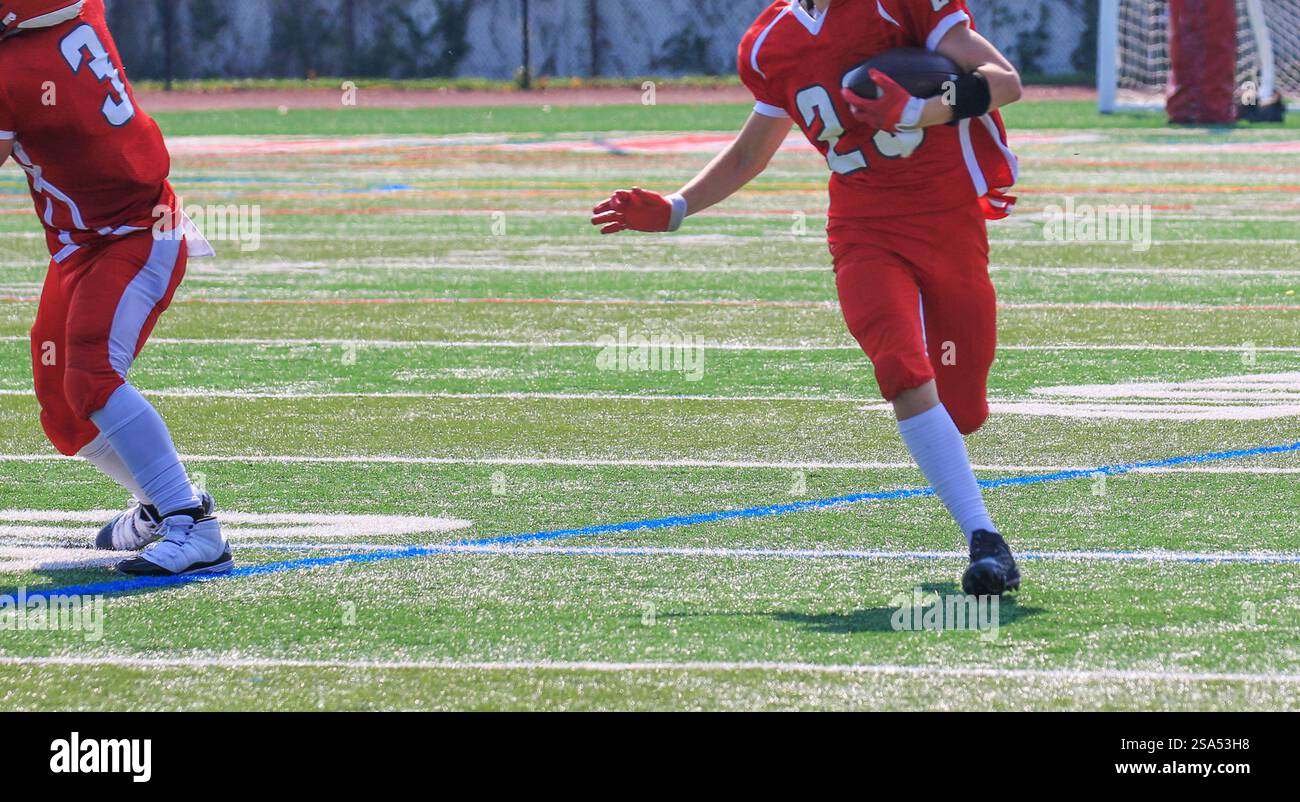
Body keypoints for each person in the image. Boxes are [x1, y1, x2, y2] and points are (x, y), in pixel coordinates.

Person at [590, 0, 1022, 594]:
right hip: (863, 230)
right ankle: (984, 538)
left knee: (963, 407)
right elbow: (749, 153)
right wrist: (677, 207)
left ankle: (964, 475)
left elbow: (1005, 83)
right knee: (900, 367)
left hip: (948, 226)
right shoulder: (771, 42)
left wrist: (922, 109)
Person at [0, 0, 230, 576]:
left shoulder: (16, 73)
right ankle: (159, 503)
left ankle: (192, 522)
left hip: (134, 234)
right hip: (87, 241)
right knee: (63, 404)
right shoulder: (81, 16)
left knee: (92, 375)